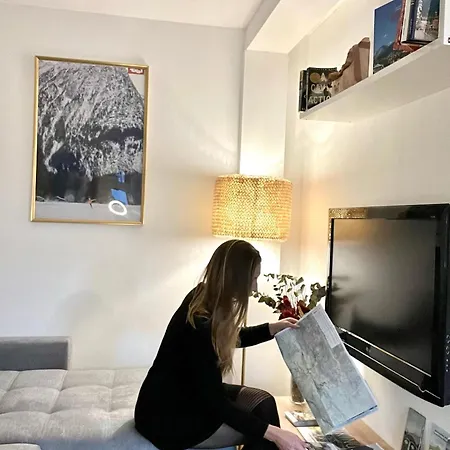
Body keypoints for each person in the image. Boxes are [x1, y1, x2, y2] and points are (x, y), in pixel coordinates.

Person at [135, 239, 307, 450]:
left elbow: (228, 337)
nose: (255, 287)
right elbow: (216, 403)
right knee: (265, 433)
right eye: (253, 278)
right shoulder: (200, 323)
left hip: (188, 392)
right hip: (167, 416)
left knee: (264, 402)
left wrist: (272, 328)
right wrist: (275, 434)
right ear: (236, 278)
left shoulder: (203, 295)